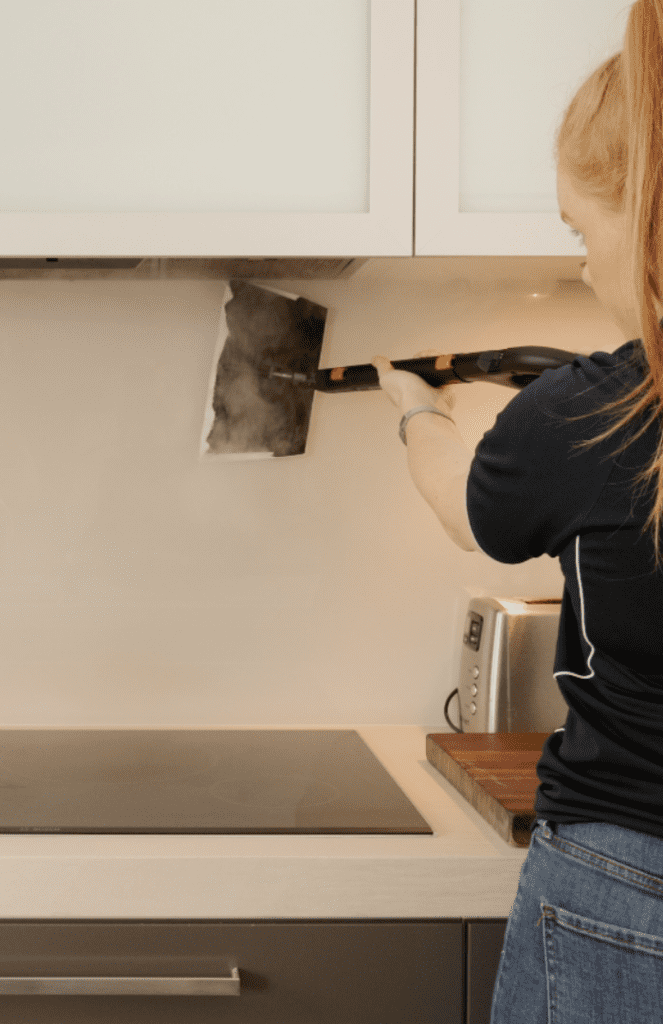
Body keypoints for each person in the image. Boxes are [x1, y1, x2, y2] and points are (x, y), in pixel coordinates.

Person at [372, 2, 663, 1019]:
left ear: (647, 212)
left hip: (623, 876)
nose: (582, 265)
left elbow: (463, 506)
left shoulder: (589, 411)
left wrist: (419, 412)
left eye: (583, 231)